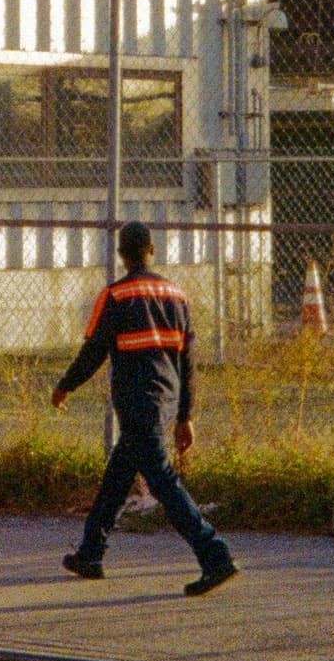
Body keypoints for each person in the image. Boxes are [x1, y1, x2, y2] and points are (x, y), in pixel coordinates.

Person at [51, 220, 237, 595]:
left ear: (122, 255)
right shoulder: (177, 296)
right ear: (152, 251)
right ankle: (90, 553)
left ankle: (214, 556)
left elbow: (94, 352)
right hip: (166, 402)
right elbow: (188, 363)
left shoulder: (115, 295)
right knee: (119, 476)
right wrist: (185, 417)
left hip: (136, 403)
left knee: (163, 482)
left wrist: (64, 386)